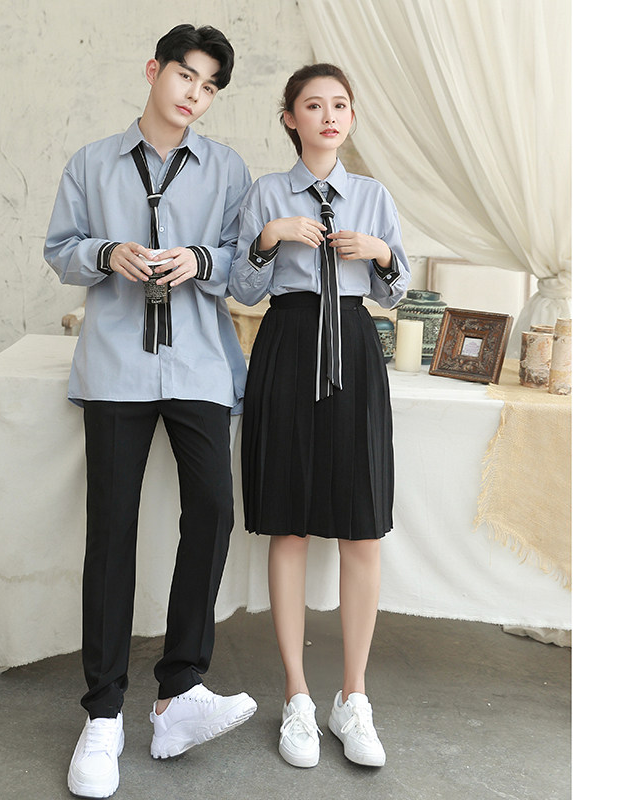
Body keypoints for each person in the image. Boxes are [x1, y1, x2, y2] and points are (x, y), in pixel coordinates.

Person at [44, 24, 256, 799]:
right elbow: (60, 249)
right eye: (185, 76)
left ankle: (178, 693)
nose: (195, 94)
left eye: (209, 87)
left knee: (213, 511)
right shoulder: (92, 162)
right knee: (112, 529)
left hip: (197, 361)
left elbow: (247, 270)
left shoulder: (227, 169)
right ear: (153, 71)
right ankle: (103, 714)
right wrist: (108, 253)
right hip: (115, 365)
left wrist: (200, 260)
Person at [229, 63, 410, 771]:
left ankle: (353, 697)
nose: (329, 115)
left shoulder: (373, 196)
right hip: (287, 344)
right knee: (291, 520)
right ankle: (298, 697)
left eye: (340, 105)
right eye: (313, 105)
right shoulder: (265, 194)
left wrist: (382, 253)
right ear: (290, 118)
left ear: (351, 118)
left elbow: (394, 294)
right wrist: (268, 239)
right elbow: (242, 289)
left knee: (362, 525)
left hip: (355, 348)